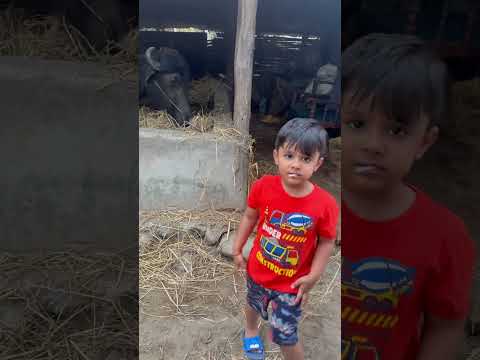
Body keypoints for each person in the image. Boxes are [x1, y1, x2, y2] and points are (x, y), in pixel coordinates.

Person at [341, 33, 476, 359]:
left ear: (424, 143)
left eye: (397, 130)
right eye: (357, 123)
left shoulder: (445, 237)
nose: (373, 144)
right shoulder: (310, 206)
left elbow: (444, 329)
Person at [232, 118, 339, 360]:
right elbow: (250, 216)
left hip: (292, 284)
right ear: (276, 156)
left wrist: (313, 276)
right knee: (253, 303)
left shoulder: (325, 204)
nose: (296, 165)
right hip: (258, 269)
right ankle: (250, 331)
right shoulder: (263, 187)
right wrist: (238, 248)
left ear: (318, 163)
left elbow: (326, 241)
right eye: (289, 156)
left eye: (306, 158)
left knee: (284, 334)